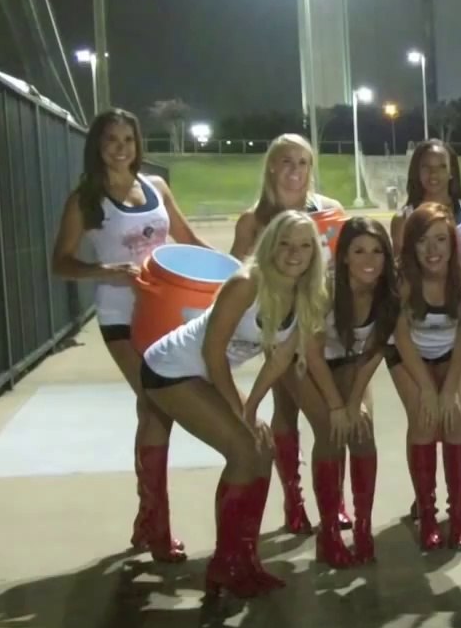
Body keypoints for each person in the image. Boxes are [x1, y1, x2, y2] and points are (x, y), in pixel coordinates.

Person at [141, 210, 332, 597]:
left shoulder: (308, 292)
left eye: (304, 245)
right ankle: (224, 564)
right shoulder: (246, 283)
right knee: (244, 453)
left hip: (206, 375)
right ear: (270, 245)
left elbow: (279, 358)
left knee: (262, 450)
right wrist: (240, 410)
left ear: (315, 251)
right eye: (285, 243)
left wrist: (254, 405)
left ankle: (245, 559)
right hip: (171, 368)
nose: (294, 253)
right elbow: (213, 353)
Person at [50, 108, 210, 564]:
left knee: (154, 408)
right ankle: (157, 527)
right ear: (97, 146)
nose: (120, 148)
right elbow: (59, 262)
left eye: (128, 139)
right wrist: (106, 271)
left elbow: (188, 241)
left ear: (138, 144)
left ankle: (146, 521)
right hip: (122, 317)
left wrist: (238, 272)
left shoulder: (157, 189)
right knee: (159, 404)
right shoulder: (86, 199)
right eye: (111, 140)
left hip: (167, 314)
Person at [230, 133, 348, 536]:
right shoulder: (253, 220)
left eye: (302, 163)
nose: (295, 171)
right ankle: (295, 500)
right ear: (270, 167)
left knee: (330, 414)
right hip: (285, 336)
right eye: (286, 162)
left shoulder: (331, 212)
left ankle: (335, 500)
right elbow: (235, 281)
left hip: (333, 332)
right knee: (305, 414)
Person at [282, 217, 399, 566]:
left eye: (378, 251)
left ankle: (363, 528)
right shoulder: (325, 290)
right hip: (300, 361)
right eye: (359, 250)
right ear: (344, 256)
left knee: (361, 431)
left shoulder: (389, 292)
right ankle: (329, 533)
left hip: (351, 363)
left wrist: (354, 402)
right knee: (332, 434)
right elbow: (313, 354)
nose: (369, 259)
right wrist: (336, 406)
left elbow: (374, 352)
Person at [391, 141, 461, 517]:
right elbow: (401, 276)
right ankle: (425, 497)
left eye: (441, 166)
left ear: (453, 171)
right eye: (426, 167)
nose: (433, 174)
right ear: (416, 173)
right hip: (418, 326)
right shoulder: (404, 218)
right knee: (423, 414)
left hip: (459, 326)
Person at [389, 202, 461, 551]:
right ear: (411, 244)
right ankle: (427, 513)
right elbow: (400, 336)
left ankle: (458, 515)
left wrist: (450, 387)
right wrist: (427, 388)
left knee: (456, 417)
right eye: (423, 240)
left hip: (454, 352)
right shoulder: (403, 278)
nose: (432, 250)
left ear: (454, 243)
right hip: (409, 353)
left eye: (441, 240)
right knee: (424, 419)